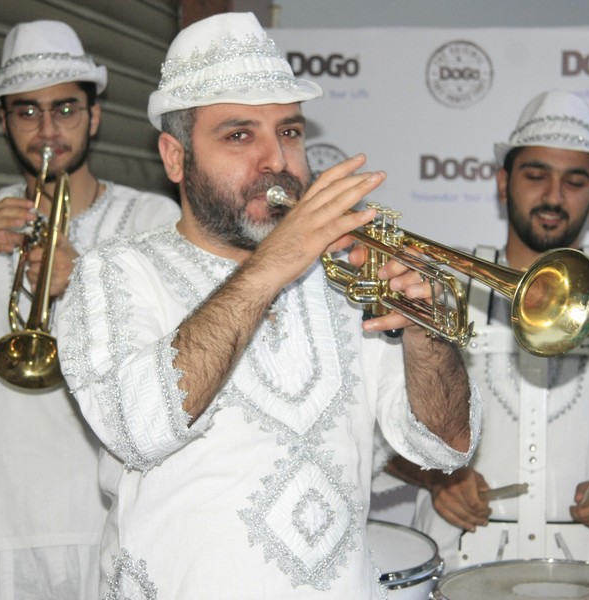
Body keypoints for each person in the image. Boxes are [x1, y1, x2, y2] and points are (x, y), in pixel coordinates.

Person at [56, 12, 481, 599]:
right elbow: (137, 429)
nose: (276, 160)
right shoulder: (114, 272)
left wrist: (424, 332)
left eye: (289, 131)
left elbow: (445, 444)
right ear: (175, 157)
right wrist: (275, 263)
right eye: (239, 135)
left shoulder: (351, 277)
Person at [0, 20, 180, 599]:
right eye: (26, 111)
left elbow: (176, 372)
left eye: (65, 109)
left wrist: (84, 283)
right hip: (0, 528)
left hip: (114, 523)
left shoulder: (153, 220)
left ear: (94, 117)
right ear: (3, 120)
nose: (47, 129)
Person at [390, 89, 589, 571]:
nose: (553, 196)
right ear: (503, 181)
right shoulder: (438, 289)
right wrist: (435, 477)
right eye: (536, 176)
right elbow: (370, 418)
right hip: (460, 568)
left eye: (575, 181)